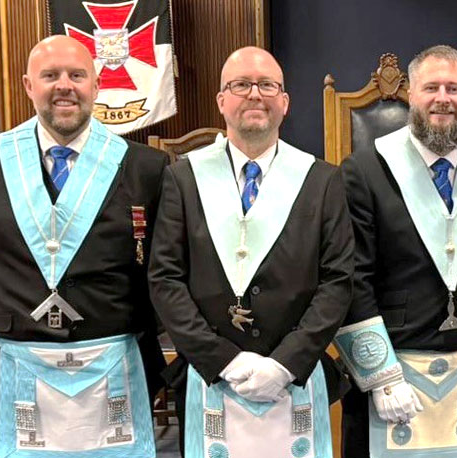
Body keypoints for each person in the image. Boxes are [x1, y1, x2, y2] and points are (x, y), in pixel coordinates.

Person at [0, 35, 168, 456]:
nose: (64, 85)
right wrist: (5, 315)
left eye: (76, 75)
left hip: (115, 359)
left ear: (96, 85)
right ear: (29, 85)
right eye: (50, 75)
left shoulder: (146, 166)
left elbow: (162, 267)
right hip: (14, 364)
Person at [150, 46, 354, 458]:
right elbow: (165, 278)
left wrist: (284, 364)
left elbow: (338, 282)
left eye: (267, 85)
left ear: (285, 102)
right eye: (241, 84)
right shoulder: (183, 178)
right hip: (213, 375)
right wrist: (222, 359)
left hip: (294, 375)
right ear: (222, 101)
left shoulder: (322, 180)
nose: (255, 94)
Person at [336, 44, 457, 458]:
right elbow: (350, 278)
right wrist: (381, 376)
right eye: (431, 87)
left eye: (455, 88)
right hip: (390, 366)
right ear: (411, 95)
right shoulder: (364, 171)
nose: (443, 99)